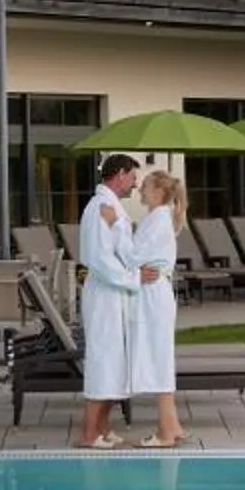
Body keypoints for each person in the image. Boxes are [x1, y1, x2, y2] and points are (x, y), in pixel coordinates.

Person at [75, 154, 142, 449]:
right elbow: (99, 258)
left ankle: (103, 428)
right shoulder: (98, 208)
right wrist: (133, 280)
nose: (136, 184)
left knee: (116, 361)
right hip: (104, 294)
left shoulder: (113, 208)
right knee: (103, 361)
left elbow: (122, 248)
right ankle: (89, 434)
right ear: (120, 174)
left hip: (115, 294)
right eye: (133, 177)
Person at [128, 169, 187, 448]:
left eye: (146, 187)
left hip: (152, 295)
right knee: (160, 356)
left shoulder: (156, 220)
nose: (140, 190)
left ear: (159, 193)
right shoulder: (157, 218)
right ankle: (172, 425)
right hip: (155, 292)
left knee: (157, 359)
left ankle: (165, 432)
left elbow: (135, 256)